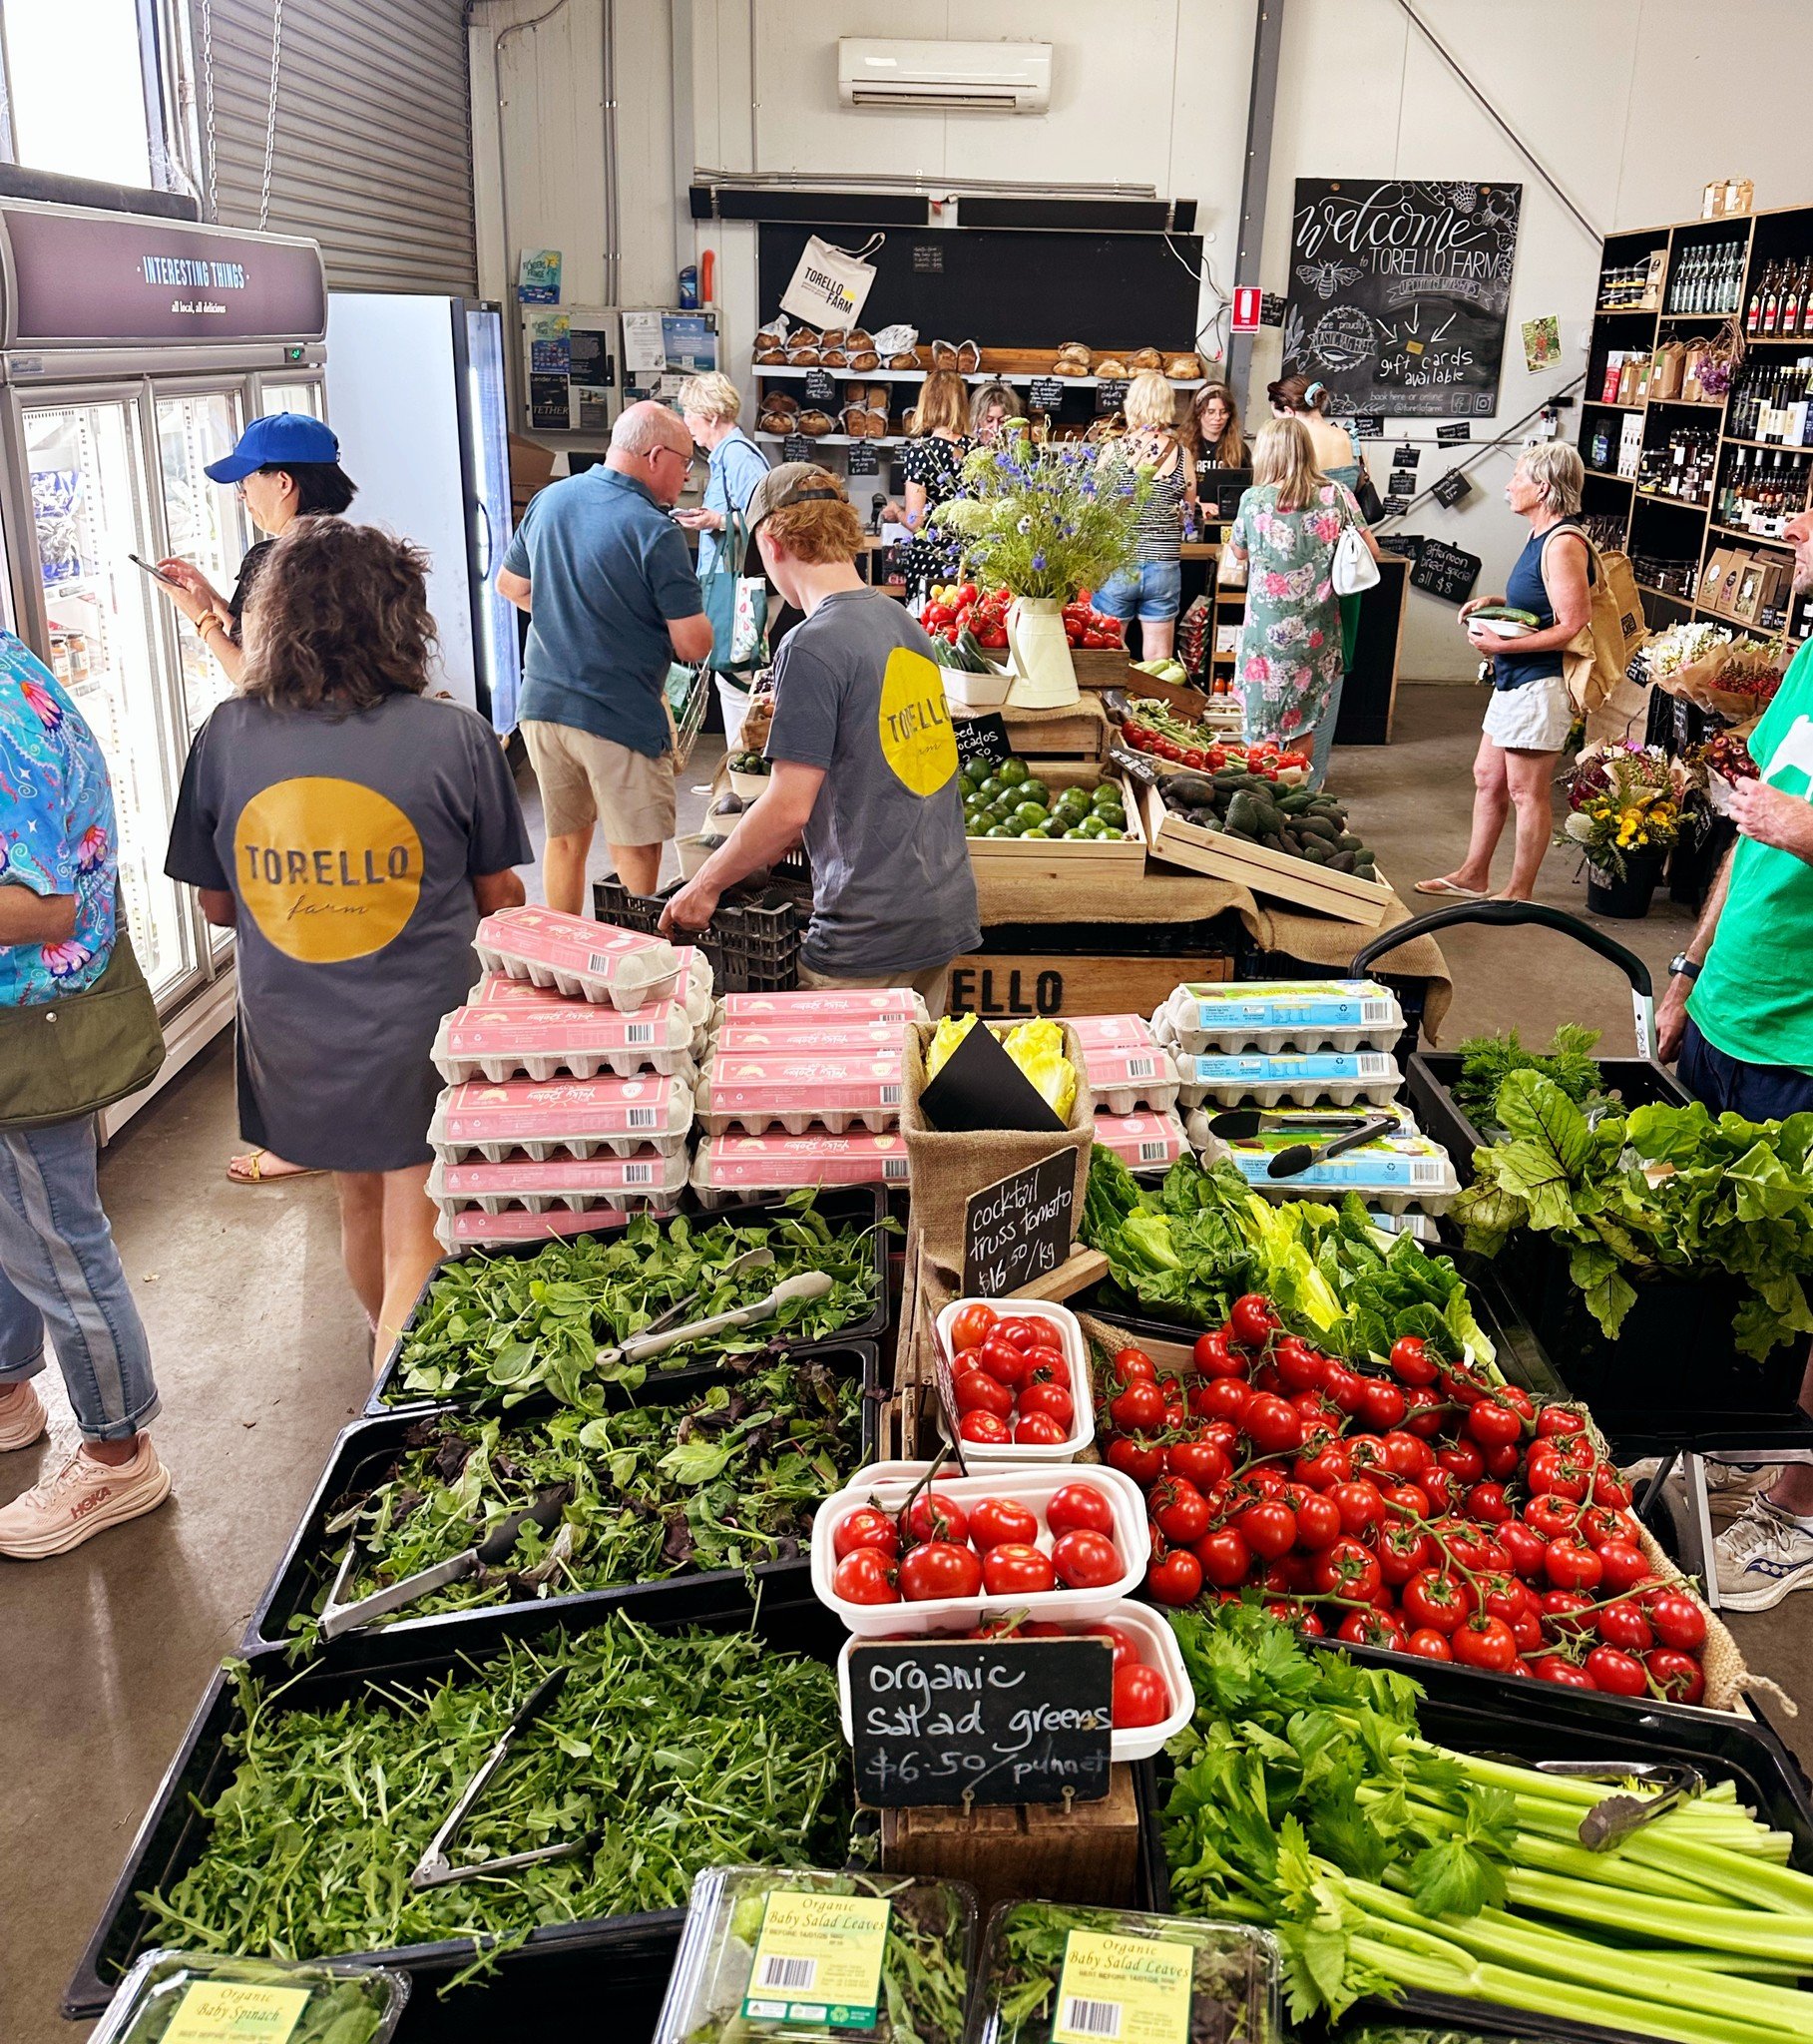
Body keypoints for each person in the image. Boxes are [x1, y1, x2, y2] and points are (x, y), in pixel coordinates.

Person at [167, 519, 532, 1363]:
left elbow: (218, 908)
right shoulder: (454, 737)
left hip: (292, 1027)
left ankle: (379, 1346)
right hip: (418, 1028)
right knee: (421, 1230)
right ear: (401, 617)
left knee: (354, 1203)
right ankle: (392, 1407)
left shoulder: (226, 734)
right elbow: (498, 898)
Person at [1654, 502, 1813, 1610]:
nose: (1795, 523)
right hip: (1729, 1007)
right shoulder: (1808, 655)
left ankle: (1799, 1505)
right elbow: (1747, 829)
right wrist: (1687, 967)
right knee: (1721, 1250)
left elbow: (1791, 824)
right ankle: (1743, 1446)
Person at [660, 465, 979, 1013]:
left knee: (841, 1093)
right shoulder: (905, 624)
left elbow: (788, 808)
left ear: (772, 540)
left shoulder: (811, 645)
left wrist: (705, 885)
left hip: (865, 935)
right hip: (940, 911)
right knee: (907, 1084)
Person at [153, 410, 360, 1186]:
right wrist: (218, 594)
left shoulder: (274, 560)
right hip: (340, 777)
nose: (242, 493)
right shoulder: (348, 552)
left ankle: (304, 1136)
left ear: (284, 481)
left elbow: (257, 679)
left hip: (280, 778)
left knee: (281, 963)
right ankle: (340, 1121)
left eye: (248, 479)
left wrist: (202, 617)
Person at [0, 634, 170, 1557]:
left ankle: (116, 1455)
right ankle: (7, 1392)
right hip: (27, 1013)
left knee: (58, 1239)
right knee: (12, 1220)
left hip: (33, 1018)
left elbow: (41, 907)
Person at [496, 401, 713, 904]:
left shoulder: (551, 500)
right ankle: (631, 969)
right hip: (618, 716)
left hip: (543, 709)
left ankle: (563, 965)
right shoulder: (655, 530)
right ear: (655, 455)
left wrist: (568, 614)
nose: (686, 474)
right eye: (685, 461)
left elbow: (510, 585)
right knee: (635, 853)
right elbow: (692, 643)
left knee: (566, 842)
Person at [1416, 445, 1593, 903]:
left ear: (1545, 488)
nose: (1509, 487)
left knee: (1525, 790)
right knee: (1487, 777)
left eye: (1518, 478)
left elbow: (1572, 623)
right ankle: (1474, 875)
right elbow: (1541, 604)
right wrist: (1498, 604)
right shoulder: (1540, 534)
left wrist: (1500, 644)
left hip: (1541, 683)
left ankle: (1519, 891)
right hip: (1516, 678)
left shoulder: (1564, 543)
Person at [1226, 417, 1378, 788]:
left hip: (1265, 633)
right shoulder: (1337, 494)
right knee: (1303, 719)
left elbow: (1239, 552)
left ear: (1267, 453)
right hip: (1317, 631)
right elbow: (1370, 550)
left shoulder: (1255, 500)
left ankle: (1262, 796)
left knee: (1261, 722)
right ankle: (1293, 797)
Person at [672, 370, 771, 753]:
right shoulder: (727, 454)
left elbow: (764, 516)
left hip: (735, 586)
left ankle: (743, 765)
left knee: (736, 676)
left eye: (690, 413)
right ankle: (737, 764)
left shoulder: (736, 454)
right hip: (728, 582)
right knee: (729, 676)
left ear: (712, 415)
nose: (687, 424)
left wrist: (714, 520)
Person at [1095, 371, 1196, 663]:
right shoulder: (1182, 455)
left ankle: (1111, 707)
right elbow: (1186, 516)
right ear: (1168, 406)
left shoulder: (1112, 452)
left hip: (1118, 563)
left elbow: (1092, 508)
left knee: (1109, 652)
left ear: (1132, 404)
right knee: (1159, 660)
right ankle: (1153, 707)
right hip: (1163, 564)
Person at [891, 369, 972, 601]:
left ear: (926, 403)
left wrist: (896, 511)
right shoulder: (979, 450)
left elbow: (916, 522)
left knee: (931, 630)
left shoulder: (921, 453)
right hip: (971, 560)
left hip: (932, 562)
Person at [1190, 382, 1248, 481]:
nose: (1217, 418)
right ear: (1199, 413)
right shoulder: (1184, 446)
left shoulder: (1239, 449)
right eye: (1211, 412)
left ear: (1230, 414)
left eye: (1223, 412)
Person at [971, 379, 1026, 447]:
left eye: (1002, 421)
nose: (995, 428)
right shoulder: (966, 450)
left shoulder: (1017, 452)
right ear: (977, 418)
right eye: (989, 420)